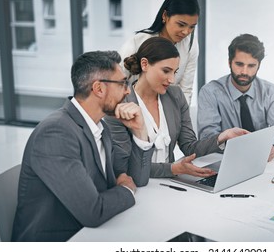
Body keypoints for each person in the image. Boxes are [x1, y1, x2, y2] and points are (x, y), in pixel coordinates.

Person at [11, 51, 154, 242]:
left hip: (91, 233)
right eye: (122, 84)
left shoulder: (100, 126)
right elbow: (93, 211)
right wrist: (126, 190)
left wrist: (139, 130)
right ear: (99, 89)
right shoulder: (56, 133)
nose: (128, 91)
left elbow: (135, 178)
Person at [105, 37, 248, 178]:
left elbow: (190, 147)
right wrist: (172, 169)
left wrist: (223, 136)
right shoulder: (120, 104)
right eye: (166, 71)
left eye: (175, 72)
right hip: (137, 185)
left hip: (171, 183)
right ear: (145, 64)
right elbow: (124, 167)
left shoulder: (175, 95)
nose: (172, 79)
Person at [197, 34, 274, 161]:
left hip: (263, 162)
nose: (244, 72)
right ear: (229, 63)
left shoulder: (270, 92)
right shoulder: (210, 92)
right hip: (225, 160)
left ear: (258, 66)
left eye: (251, 66)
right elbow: (207, 137)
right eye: (239, 64)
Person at [118, 0, 199, 105]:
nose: (186, 32)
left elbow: (185, 90)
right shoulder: (137, 42)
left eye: (192, 27)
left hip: (167, 111)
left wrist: (181, 119)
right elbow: (115, 84)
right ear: (165, 16)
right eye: (181, 24)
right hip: (133, 108)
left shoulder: (191, 44)